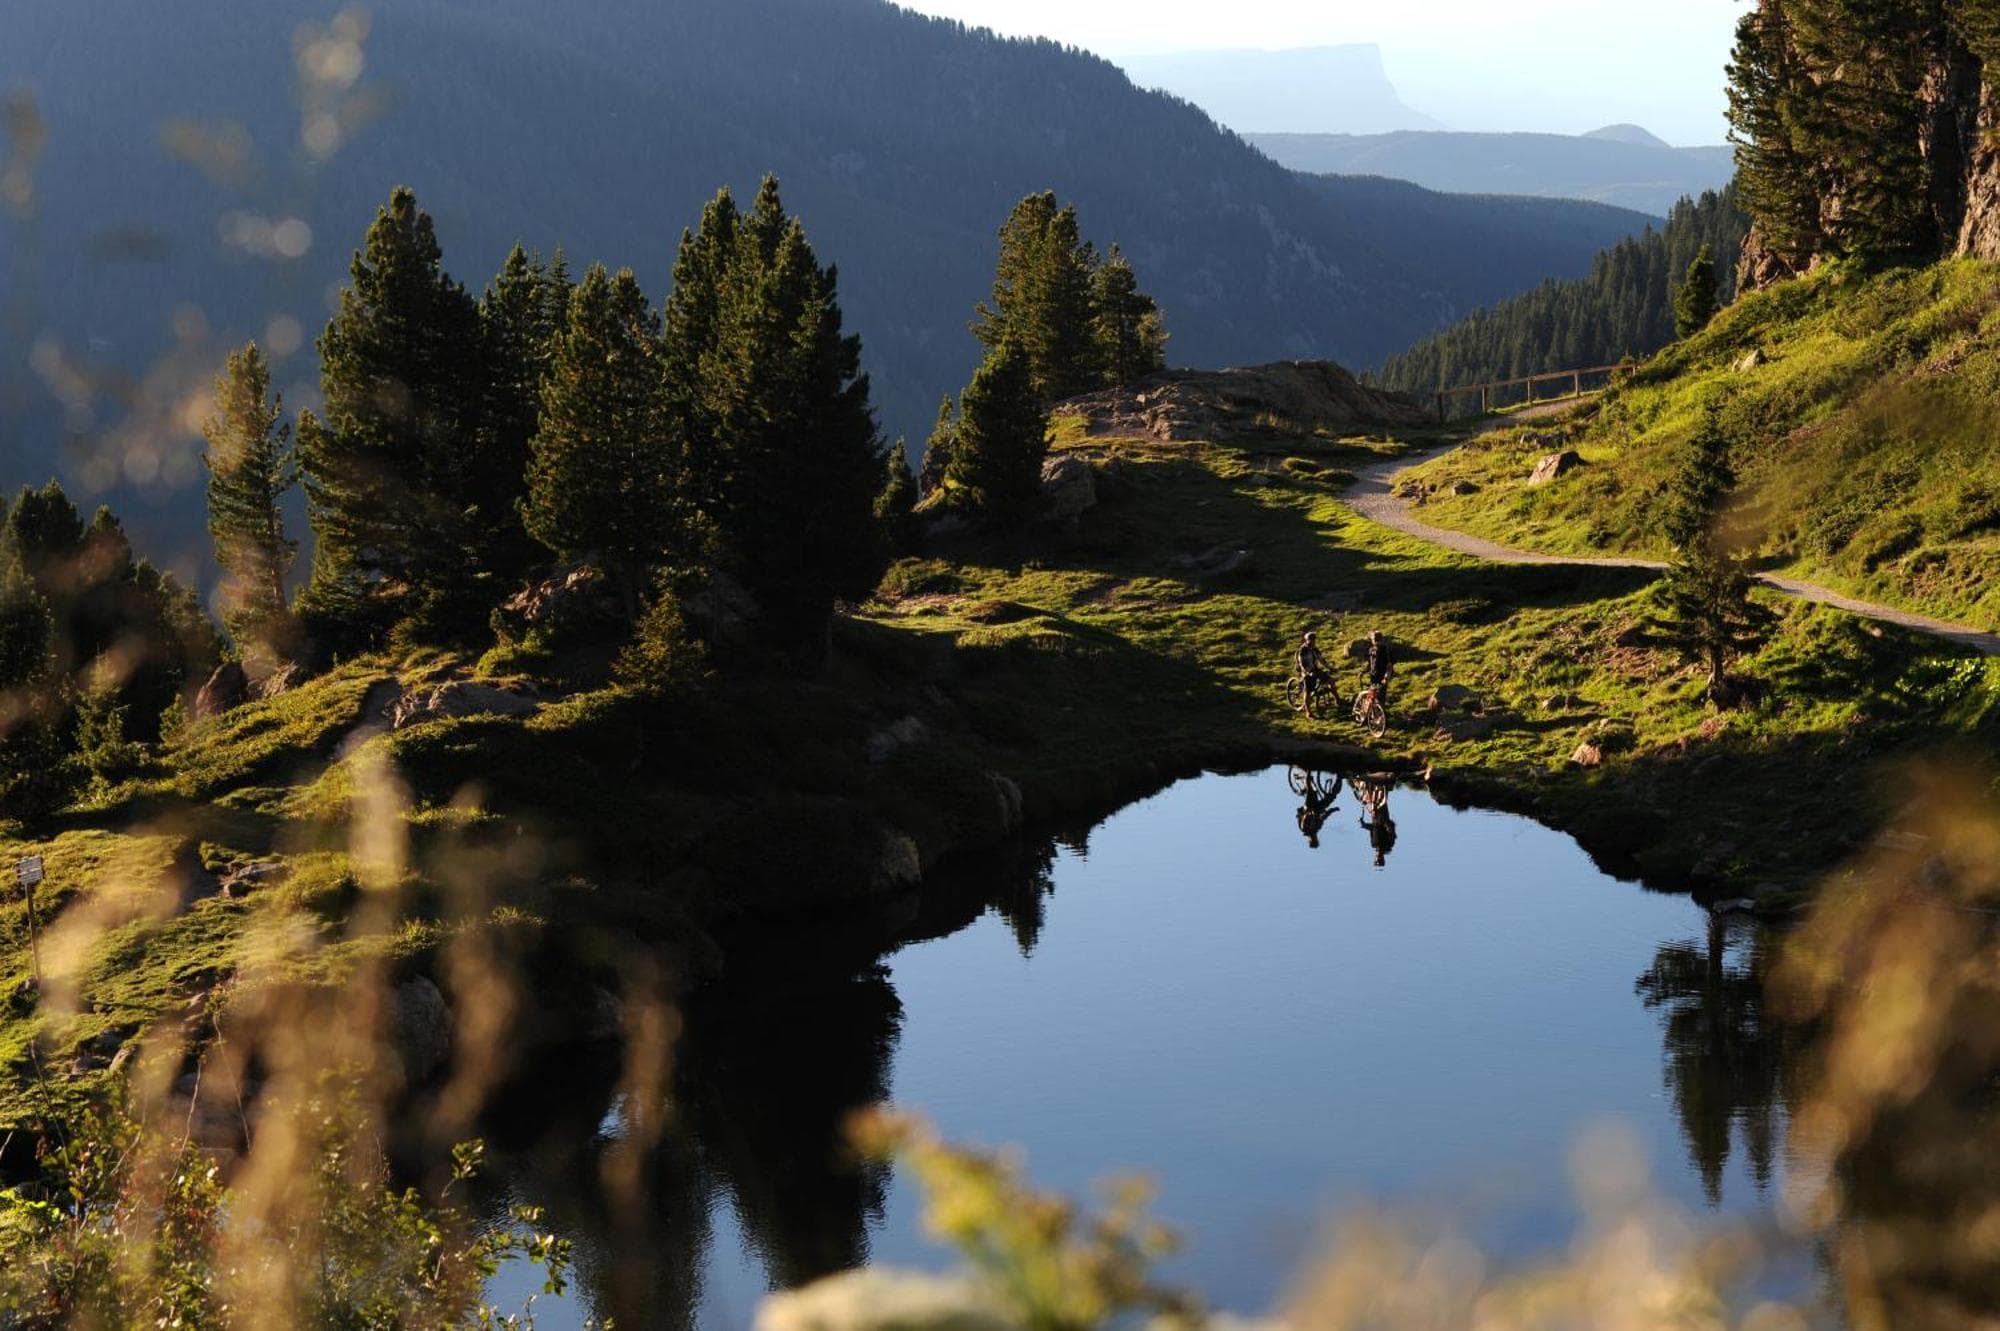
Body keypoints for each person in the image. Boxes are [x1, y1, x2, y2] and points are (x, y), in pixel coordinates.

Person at [1294, 770, 1341, 849]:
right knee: (1331, 797)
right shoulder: (1317, 828)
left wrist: (1309, 813)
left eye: (1313, 840)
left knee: (1310, 790)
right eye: (1316, 840)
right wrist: (1333, 810)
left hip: (1309, 807)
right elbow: (1324, 817)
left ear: (1309, 840)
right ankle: (1339, 777)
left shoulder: (1304, 829)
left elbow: (1304, 818)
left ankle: (1309, 770)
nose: (1314, 838)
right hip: (1317, 809)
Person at [1295, 630, 1332, 719]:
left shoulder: (1315, 649)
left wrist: (1330, 667)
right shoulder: (1302, 650)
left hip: (1315, 670)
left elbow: (1321, 660)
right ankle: (1308, 712)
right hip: (1307, 672)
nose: (1313, 641)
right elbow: (1302, 664)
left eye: (1314, 639)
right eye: (1311, 639)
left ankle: (1338, 700)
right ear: (1306, 640)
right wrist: (1309, 672)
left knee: (1330, 680)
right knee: (1307, 692)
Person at [1365, 630, 1394, 710]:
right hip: (1373, 675)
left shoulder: (1385, 650)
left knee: (1381, 696)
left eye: (1378, 639)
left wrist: (1386, 677)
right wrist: (1364, 671)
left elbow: (1389, 665)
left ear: (1381, 639)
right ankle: (1370, 711)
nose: (1376, 641)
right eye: (1374, 639)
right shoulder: (1371, 650)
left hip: (1382, 676)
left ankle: (1380, 712)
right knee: (1372, 694)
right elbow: (1370, 663)